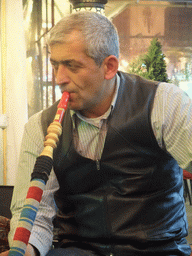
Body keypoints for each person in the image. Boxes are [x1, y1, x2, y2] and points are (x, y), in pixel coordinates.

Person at [1, 11, 192, 256]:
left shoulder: (163, 104)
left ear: (109, 66)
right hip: (78, 250)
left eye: (71, 65)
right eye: (55, 64)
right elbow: (34, 216)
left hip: (157, 249)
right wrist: (25, 250)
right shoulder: (40, 126)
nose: (59, 79)